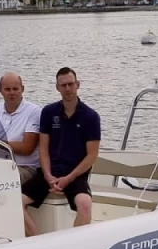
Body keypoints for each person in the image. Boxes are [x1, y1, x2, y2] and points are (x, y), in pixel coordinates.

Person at [20, 67, 101, 236]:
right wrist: (49, 176)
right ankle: (36, 242)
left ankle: (74, 247)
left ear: (78, 85)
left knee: (85, 204)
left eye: (71, 84)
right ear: (57, 87)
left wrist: (68, 178)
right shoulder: (48, 113)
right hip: (49, 174)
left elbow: (92, 156)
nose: (68, 89)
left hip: (75, 175)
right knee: (16, 203)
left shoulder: (91, 116)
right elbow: (43, 149)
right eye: (63, 85)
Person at [0, 72, 42, 185]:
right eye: (7, 89)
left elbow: (27, 148)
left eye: (15, 89)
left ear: (22, 89)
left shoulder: (34, 111)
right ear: (1, 90)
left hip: (25, 168)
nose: (12, 93)